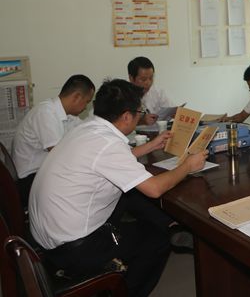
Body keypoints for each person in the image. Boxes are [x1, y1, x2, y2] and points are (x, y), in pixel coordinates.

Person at [28, 79, 207, 297]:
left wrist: (150, 146)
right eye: (139, 111)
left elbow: (107, 161)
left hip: (46, 234)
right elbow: (155, 189)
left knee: (128, 193)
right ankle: (124, 290)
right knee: (157, 239)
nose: (141, 115)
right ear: (126, 116)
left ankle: (171, 223)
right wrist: (188, 166)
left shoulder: (87, 128)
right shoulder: (108, 144)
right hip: (72, 248)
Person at [12, 74, 95, 205]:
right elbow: (58, 155)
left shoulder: (67, 114)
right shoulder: (46, 112)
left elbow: (86, 130)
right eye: (86, 101)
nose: (86, 107)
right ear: (76, 97)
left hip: (44, 171)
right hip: (30, 179)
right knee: (89, 184)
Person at [128, 56, 173, 125]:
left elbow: (170, 109)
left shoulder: (158, 92)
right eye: (143, 79)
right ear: (131, 78)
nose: (148, 83)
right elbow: (119, 123)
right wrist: (141, 121)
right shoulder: (122, 95)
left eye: (151, 78)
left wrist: (174, 114)